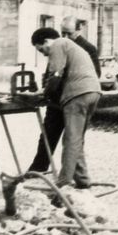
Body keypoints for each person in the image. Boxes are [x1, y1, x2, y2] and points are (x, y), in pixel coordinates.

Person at [30, 26, 102, 189]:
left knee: (70, 140)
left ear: (47, 41)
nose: (44, 54)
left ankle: (63, 184)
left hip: (77, 94)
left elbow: (56, 75)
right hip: (93, 92)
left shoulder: (58, 44)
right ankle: (82, 180)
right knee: (76, 138)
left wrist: (43, 93)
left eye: (42, 49)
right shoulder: (72, 46)